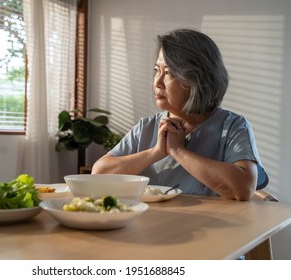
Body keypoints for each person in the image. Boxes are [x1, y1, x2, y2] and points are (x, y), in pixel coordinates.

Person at [92, 28, 268, 201]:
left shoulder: (233, 126)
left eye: (168, 73)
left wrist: (178, 151)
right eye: (157, 71)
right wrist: (156, 152)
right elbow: (99, 174)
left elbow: (244, 188)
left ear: (197, 79)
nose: (157, 82)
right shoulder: (146, 127)